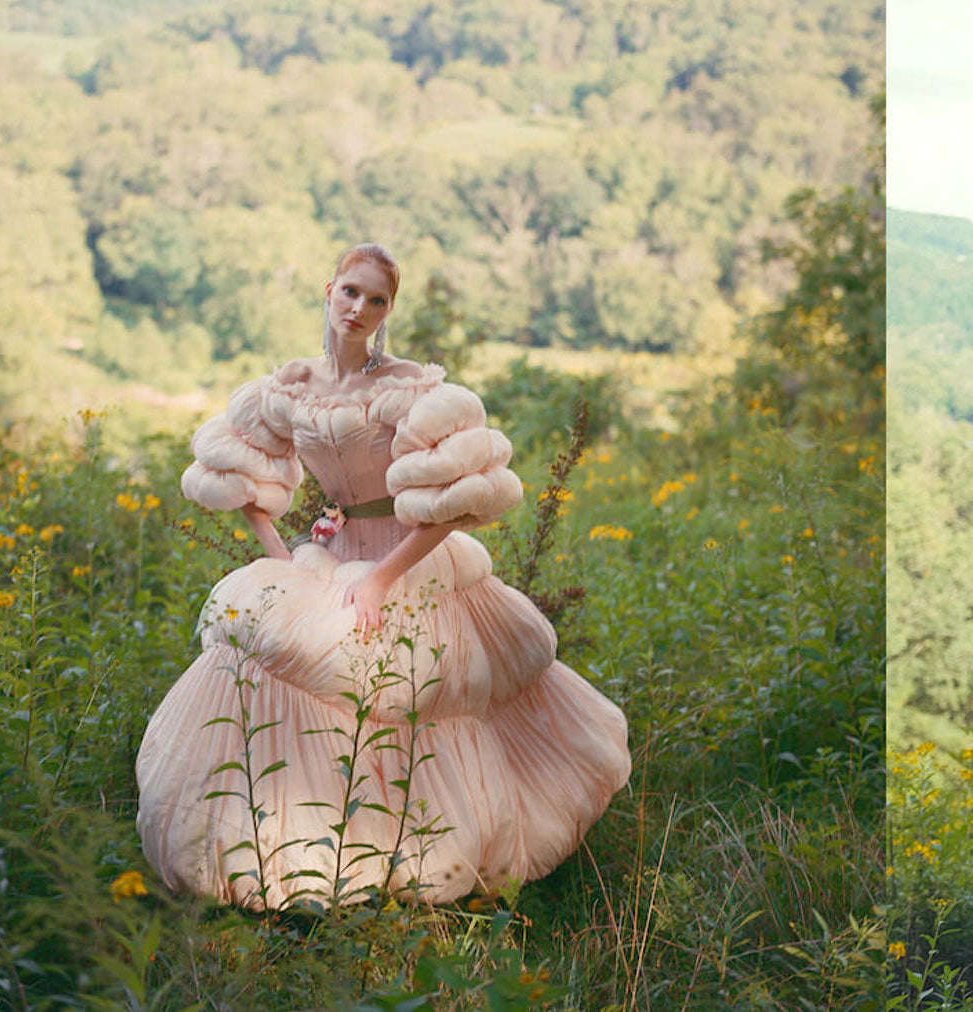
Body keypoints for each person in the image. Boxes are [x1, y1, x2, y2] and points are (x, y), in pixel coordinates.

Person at [136, 243, 631, 909]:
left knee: (409, 700)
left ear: (389, 310)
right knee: (286, 688)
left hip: (408, 564)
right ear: (329, 290)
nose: (359, 309)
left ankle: (412, 858)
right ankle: (302, 857)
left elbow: (453, 504)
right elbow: (241, 471)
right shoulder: (289, 389)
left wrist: (379, 581)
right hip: (325, 561)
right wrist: (282, 559)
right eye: (350, 292)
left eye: (376, 300)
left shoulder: (410, 390)